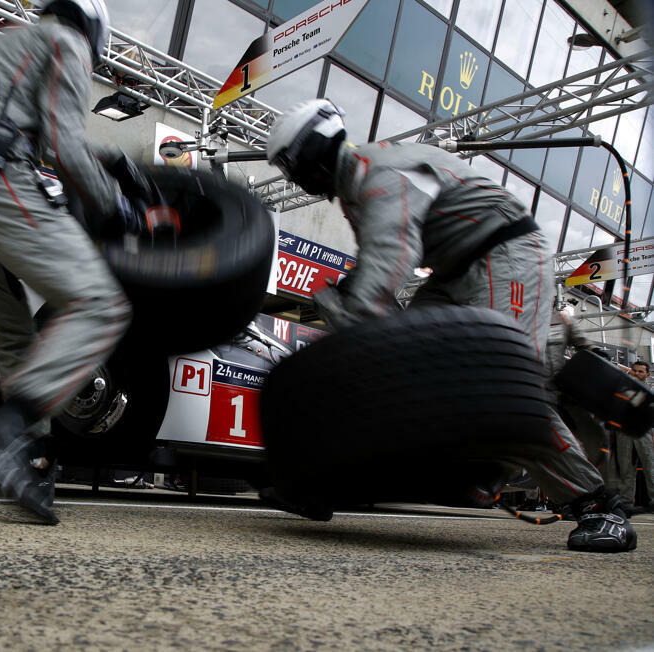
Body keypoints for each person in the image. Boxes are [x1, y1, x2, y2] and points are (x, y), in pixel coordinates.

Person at [265, 99, 635, 552]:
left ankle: (599, 506)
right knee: (404, 367)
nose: (291, 177)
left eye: (289, 166)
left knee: (505, 388)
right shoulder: (356, 183)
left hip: (505, 256)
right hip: (453, 271)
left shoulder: (377, 174)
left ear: (310, 153)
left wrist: (349, 309)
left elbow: (387, 261)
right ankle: (339, 483)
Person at [0, 0, 135, 524]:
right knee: (100, 303)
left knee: (12, 335)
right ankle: (7, 429)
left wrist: (102, 166)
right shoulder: (66, 44)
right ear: (91, 29)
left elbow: (32, 127)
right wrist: (115, 205)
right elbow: (63, 144)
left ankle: (30, 460)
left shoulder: (2, 44)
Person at [617, 361, 654, 514]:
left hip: (644, 432)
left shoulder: (650, 392)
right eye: (635, 370)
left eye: (640, 371)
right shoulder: (623, 388)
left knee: (650, 467)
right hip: (624, 432)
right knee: (626, 468)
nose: (637, 373)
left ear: (647, 374)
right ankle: (626, 503)